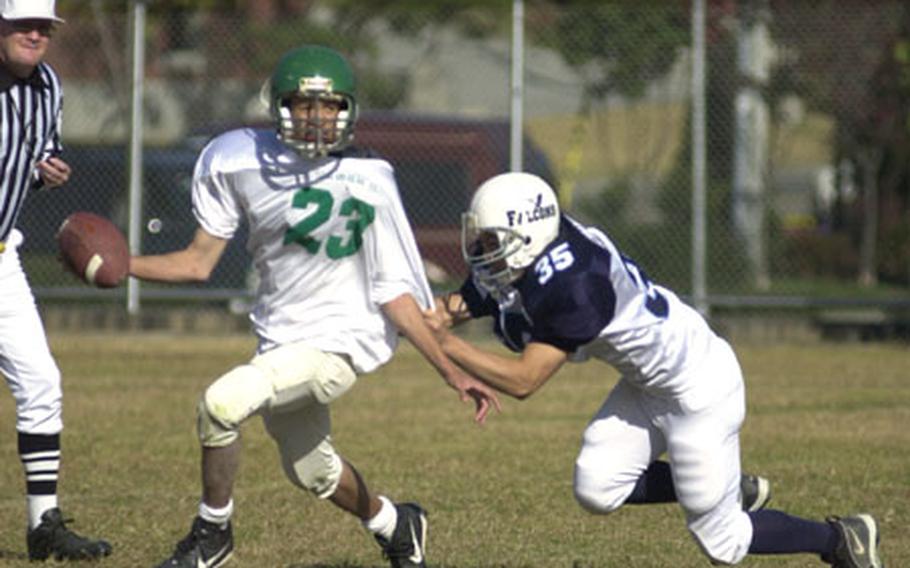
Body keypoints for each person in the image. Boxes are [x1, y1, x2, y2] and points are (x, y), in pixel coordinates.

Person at [129, 44, 499, 568]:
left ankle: (212, 534)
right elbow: (196, 263)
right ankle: (397, 525)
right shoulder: (238, 158)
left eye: (330, 106)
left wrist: (449, 369)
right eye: (305, 105)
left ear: (347, 110)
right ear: (279, 106)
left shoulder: (370, 179)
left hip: (340, 344)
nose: (319, 118)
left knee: (221, 404)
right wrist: (124, 264)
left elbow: (395, 291)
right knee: (313, 471)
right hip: (281, 340)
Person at [424, 171, 884, 567]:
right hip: (647, 385)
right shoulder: (551, 241)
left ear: (527, 235)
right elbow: (494, 287)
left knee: (723, 542)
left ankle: (840, 538)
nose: (484, 251)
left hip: (700, 389)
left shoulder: (576, 285)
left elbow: (525, 380)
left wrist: (445, 341)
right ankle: (728, 486)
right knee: (596, 488)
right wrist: (442, 311)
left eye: (491, 242)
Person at [0, 0, 113, 561]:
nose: (35, 34)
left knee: (41, 383)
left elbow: (37, 160)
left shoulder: (46, 86)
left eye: (43, 26)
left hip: (1, 255)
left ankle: (43, 524)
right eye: (22, 23)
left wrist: (49, 172)